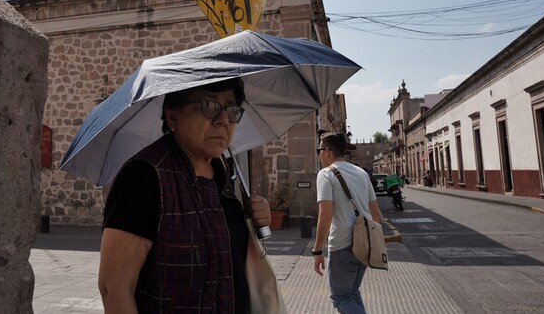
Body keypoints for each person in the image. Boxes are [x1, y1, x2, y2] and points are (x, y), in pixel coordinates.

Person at [98, 78, 271, 313]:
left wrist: (253, 221)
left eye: (232, 110)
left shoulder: (224, 175)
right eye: (209, 106)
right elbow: (114, 288)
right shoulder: (144, 177)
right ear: (172, 116)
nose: (223, 120)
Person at [312, 132, 383, 314]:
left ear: (327, 151)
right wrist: (374, 243)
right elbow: (376, 214)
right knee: (351, 293)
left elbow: (325, 215)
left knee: (341, 297)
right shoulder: (361, 173)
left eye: (320, 150)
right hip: (364, 244)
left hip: (342, 245)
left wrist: (317, 249)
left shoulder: (326, 174)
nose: (319, 154)